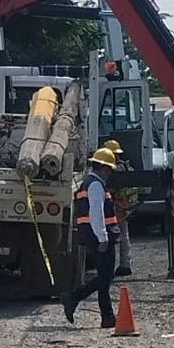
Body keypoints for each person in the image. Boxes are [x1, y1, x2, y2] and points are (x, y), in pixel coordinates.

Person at [61, 147, 120, 329]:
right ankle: (73, 297)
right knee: (105, 277)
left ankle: (108, 317)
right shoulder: (95, 185)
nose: (110, 173)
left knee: (104, 277)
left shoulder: (90, 183)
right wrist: (102, 237)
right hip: (99, 237)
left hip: (95, 235)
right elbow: (96, 213)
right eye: (109, 169)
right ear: (103, 167)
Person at [104, 138, 137, 277]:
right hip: (124, 205)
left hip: (117, 205)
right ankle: (125, 264)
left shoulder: (115, 170)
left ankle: (115, 265)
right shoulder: (126, 167)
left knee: (110, 235)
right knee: (123, 235)